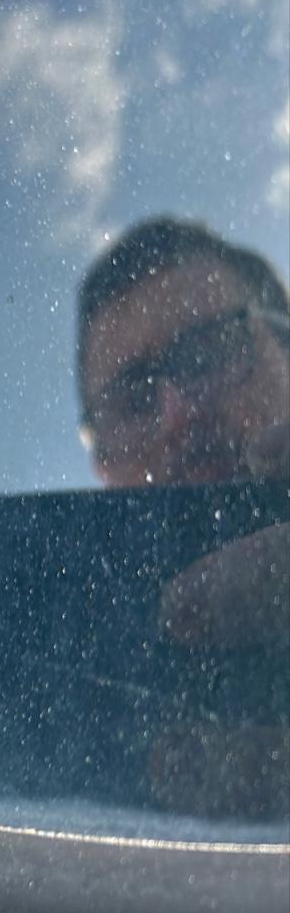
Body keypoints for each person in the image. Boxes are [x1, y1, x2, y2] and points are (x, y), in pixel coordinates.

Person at [76, 216, 289, 816]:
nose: (178, 414)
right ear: (102, 464)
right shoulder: (71, 693)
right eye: (132, 401)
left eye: (211, 353)